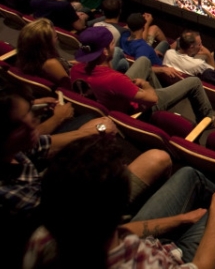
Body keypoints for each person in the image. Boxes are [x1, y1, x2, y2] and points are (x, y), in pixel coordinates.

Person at [23, 135, 215, 269]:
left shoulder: (46, 236)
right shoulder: (140, 263)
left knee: (189, 175)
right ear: (121, 207)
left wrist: (180, 219)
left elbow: (114, 231)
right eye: (123, 172)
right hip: (176, 259)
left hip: (141, 240)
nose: (127, 168)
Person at [0, 84, 171, 267]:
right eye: (18, 124)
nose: (33, 122)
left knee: (93, 122)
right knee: (161, 159)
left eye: (29, 112)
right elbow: (80, 220)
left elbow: (43, 144)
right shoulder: (13, 196)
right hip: (83, 213)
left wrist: (91, 131)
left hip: (69, 202)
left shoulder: (11, 151)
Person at [70, 27, 215, 127]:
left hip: (119, 93)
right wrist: (145, 85)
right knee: (194, 81)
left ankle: (166, 93)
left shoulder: (76, 70)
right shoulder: (113, 79)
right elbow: (152, 99)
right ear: (104, 52)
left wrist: (161, 70)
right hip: (139, 108)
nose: (114, 47)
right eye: (111, 44)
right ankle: (207, 118)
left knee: (144, 61)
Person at [16, 18, 72, 90]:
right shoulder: (51, 64)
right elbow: (69, 88)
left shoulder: (30, 58)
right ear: (45, 43)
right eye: (55, 37)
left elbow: (62, 63)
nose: (56, 37)